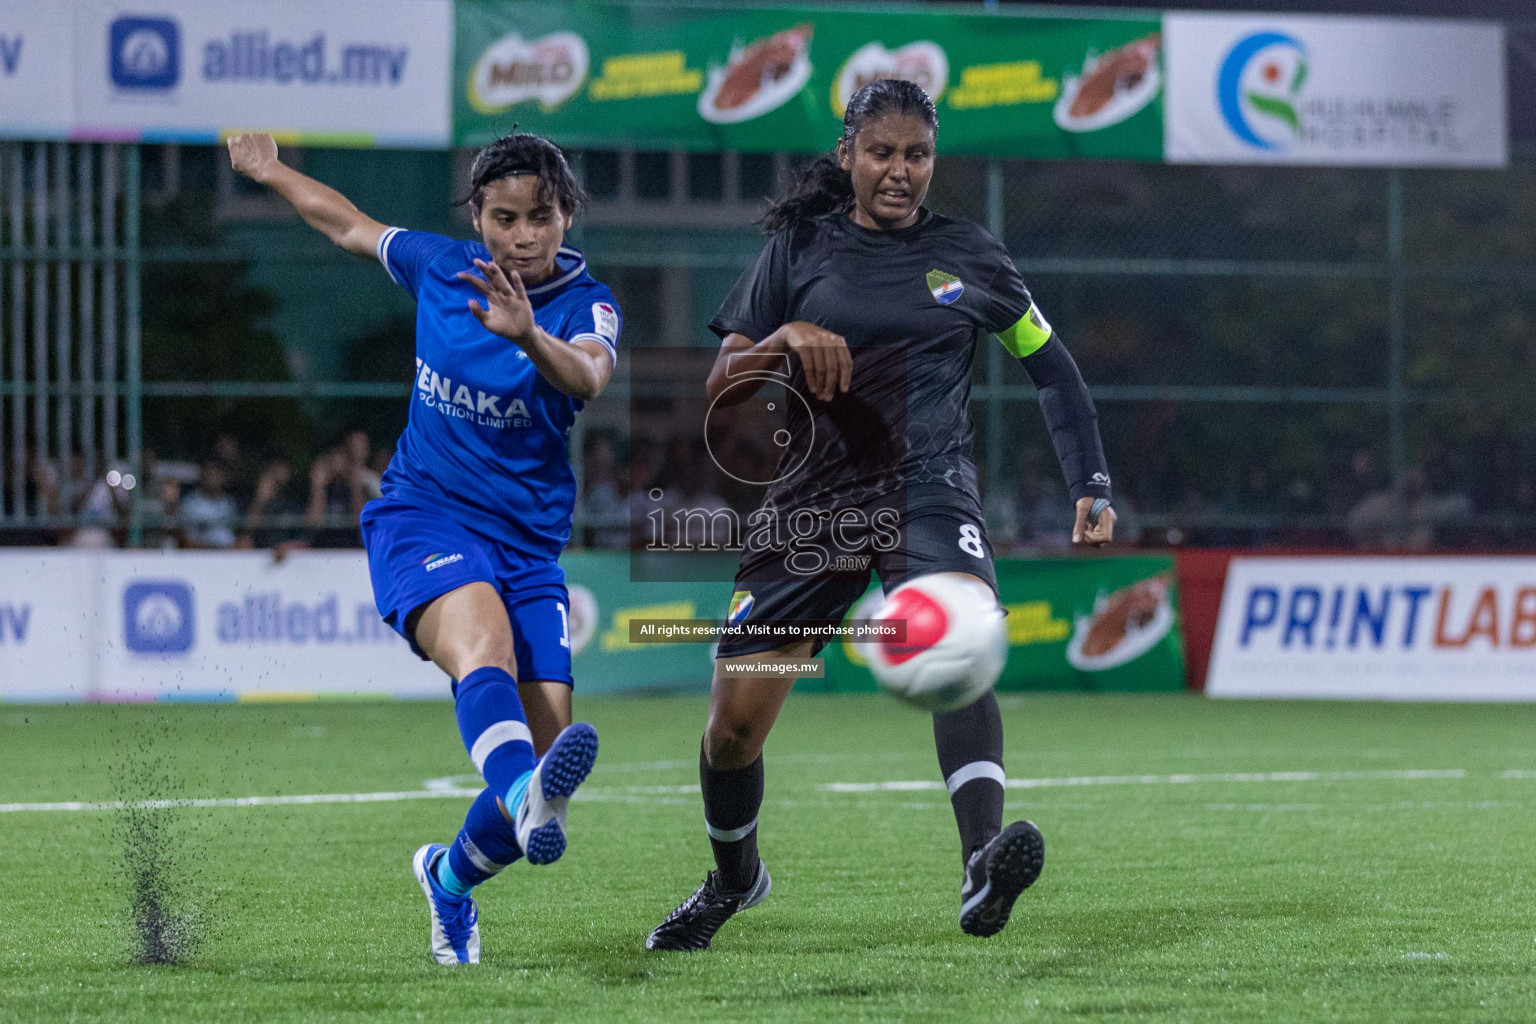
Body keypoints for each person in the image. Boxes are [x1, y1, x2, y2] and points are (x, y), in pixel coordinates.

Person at [644, 80, 1115, 952]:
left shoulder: (972, 256)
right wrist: (781, 341)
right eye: (883, 153)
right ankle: (734, 880)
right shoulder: (799, 249)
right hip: (813, 502)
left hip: (929, 488)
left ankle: (981, 864)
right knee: (734, 729)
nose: (902, 172)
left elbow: (1053, 368)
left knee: (961, 643)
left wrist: (1091, 479)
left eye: (918, 155)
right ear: (848, 156)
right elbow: (721, 387)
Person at [229, 129, 621, 965]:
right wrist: (269, 171)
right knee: (489, 659)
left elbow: (587, 377)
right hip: (424, 516)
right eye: (504, 218)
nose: (523, 236)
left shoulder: (589, 305)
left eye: (541, 217)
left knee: (548, 759)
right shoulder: (440, 268)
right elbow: (346, 224)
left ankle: (448, 881)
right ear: (476, 217)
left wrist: (526, 336)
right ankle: (522, 793)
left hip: (526, 548)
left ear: (566, 215)